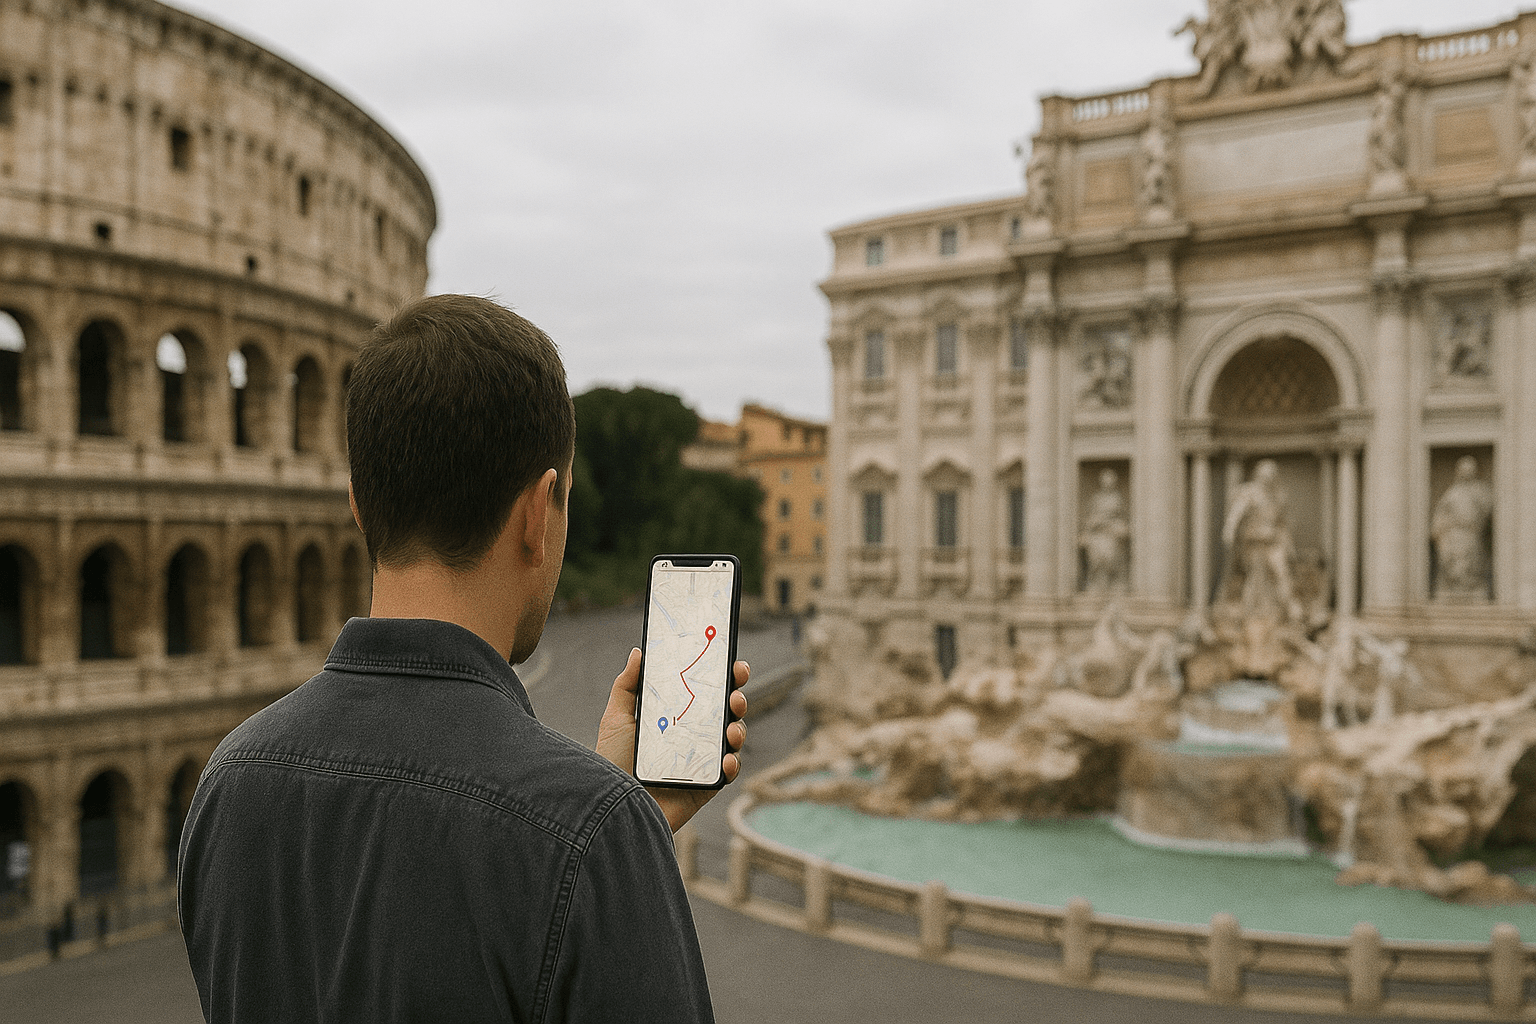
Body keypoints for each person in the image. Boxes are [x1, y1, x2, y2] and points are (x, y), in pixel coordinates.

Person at [178, 295, 748, 1023]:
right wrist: (609, 843)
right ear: (538, 515)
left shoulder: (228, 782)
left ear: (359, 506)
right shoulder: (592, 834)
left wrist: (615, 818)